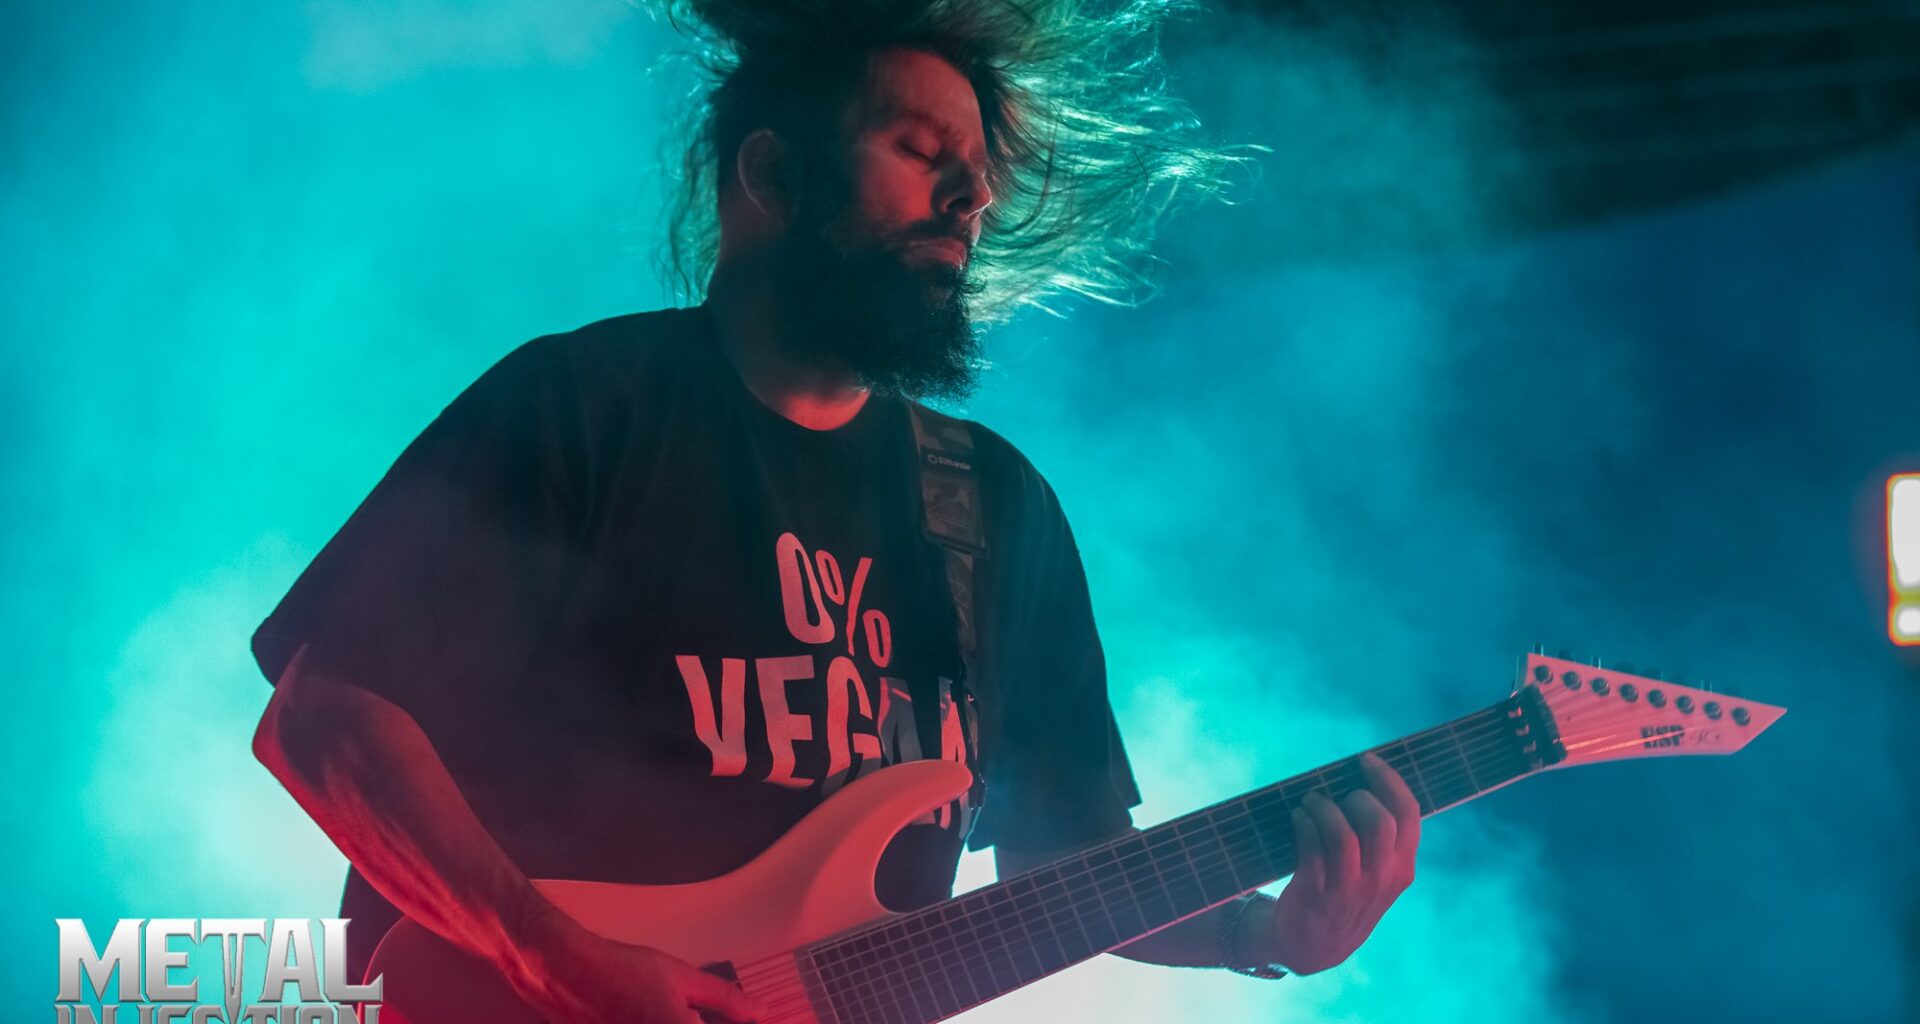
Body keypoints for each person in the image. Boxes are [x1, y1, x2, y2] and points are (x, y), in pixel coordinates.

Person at [249, 2, 1422, 1020]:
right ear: (772, 178)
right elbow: (322, 721)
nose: (969, 196)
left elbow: (1065, 857)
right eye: (921, 150)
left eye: (978, 175)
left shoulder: (997, 506)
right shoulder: (583, 408)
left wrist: (1262, 936)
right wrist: (552, 959)